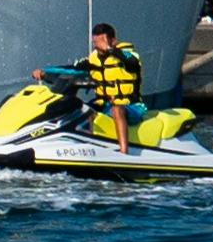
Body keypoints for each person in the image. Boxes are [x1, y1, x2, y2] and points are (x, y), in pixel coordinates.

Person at [37, 20, 147, 151]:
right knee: (79, 110)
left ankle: (124, 153)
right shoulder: (93, 60)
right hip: (104, 105)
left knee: (117, 108)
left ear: (113, 41)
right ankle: (84, 150)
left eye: (101, 42)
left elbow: (132, 63)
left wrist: (110, 49)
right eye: (95, 43)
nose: (98, 47)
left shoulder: (128, 55)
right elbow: (71, 69)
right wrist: (45, 72)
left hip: (132, 107)